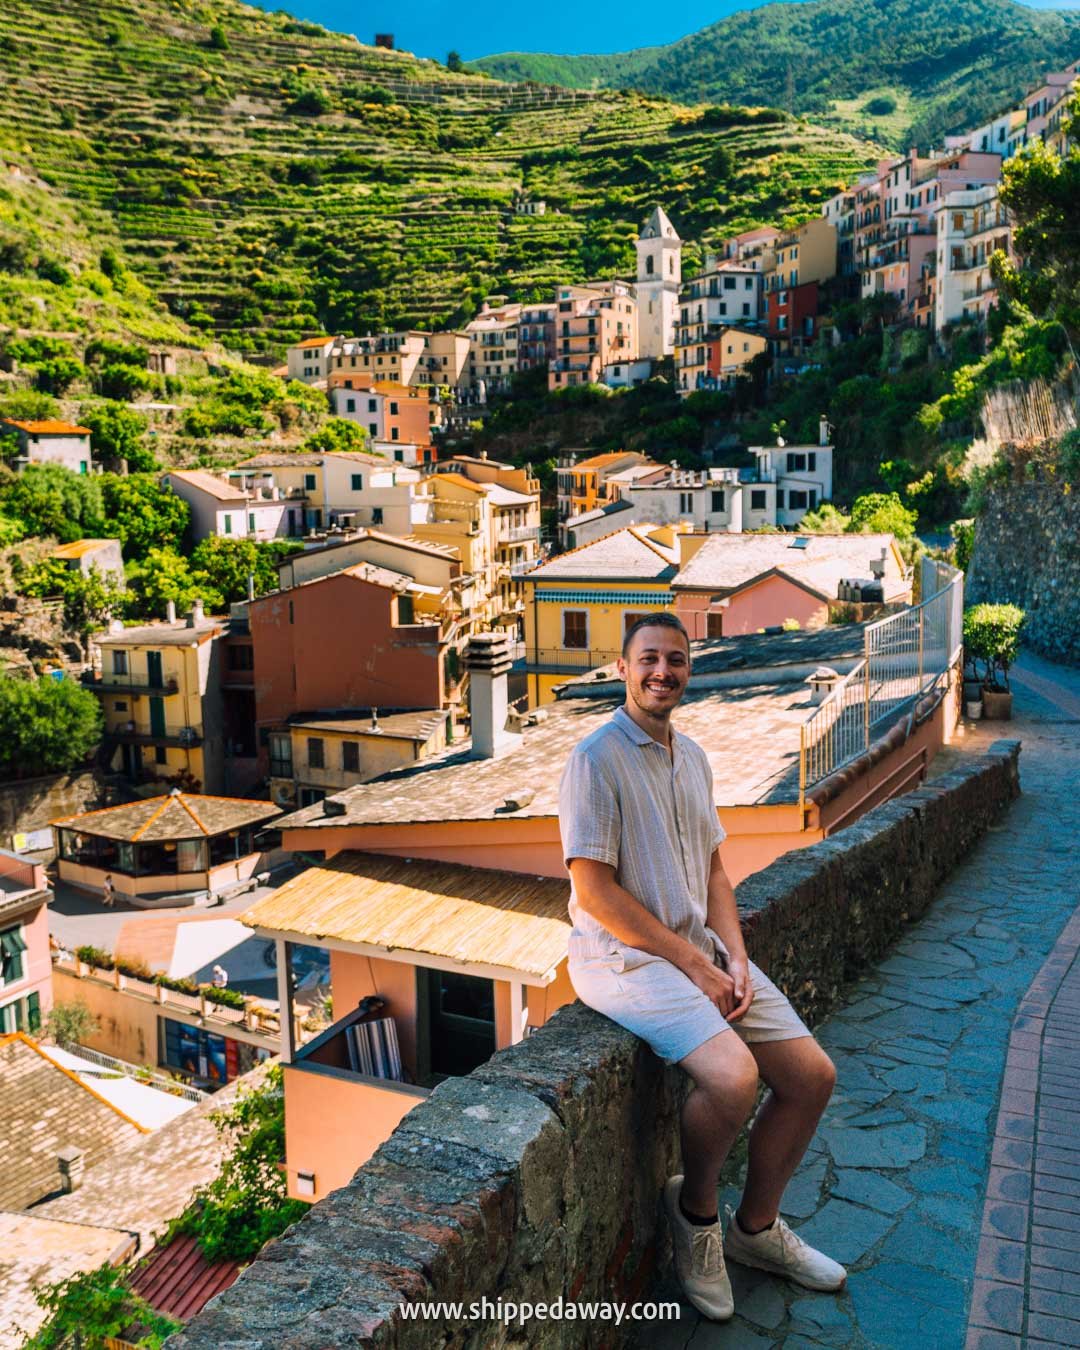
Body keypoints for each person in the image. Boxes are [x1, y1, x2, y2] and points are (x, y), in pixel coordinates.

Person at [558, 612, 845, 1322]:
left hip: (698, 952)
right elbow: (594, 892)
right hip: (624, 962)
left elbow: (715, 871)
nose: (663, 672)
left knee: (811, 1078)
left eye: (677, 660)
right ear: (622, 669)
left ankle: (756, 1231)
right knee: (733, 1076)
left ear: (690, 670)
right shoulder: (595, 760)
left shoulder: (693, 756)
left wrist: (736, 958)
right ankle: (697, 1218)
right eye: (649, 659)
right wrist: (697, 964)